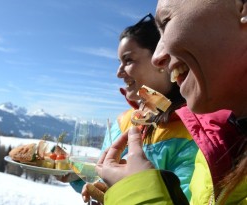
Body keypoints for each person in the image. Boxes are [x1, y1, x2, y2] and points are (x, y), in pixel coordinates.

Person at [96, 0, 247, 204]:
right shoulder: (223, 132)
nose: (159, 57)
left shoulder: (201, 131)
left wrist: (136, 191)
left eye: (166, 22)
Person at [80, 13, 198, 204]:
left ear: (161, 60)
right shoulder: (123, 121)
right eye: (119, 62)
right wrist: (92, 186)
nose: (119, 73)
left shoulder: (194, 129)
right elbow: (104, 178)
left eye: (128, 61)